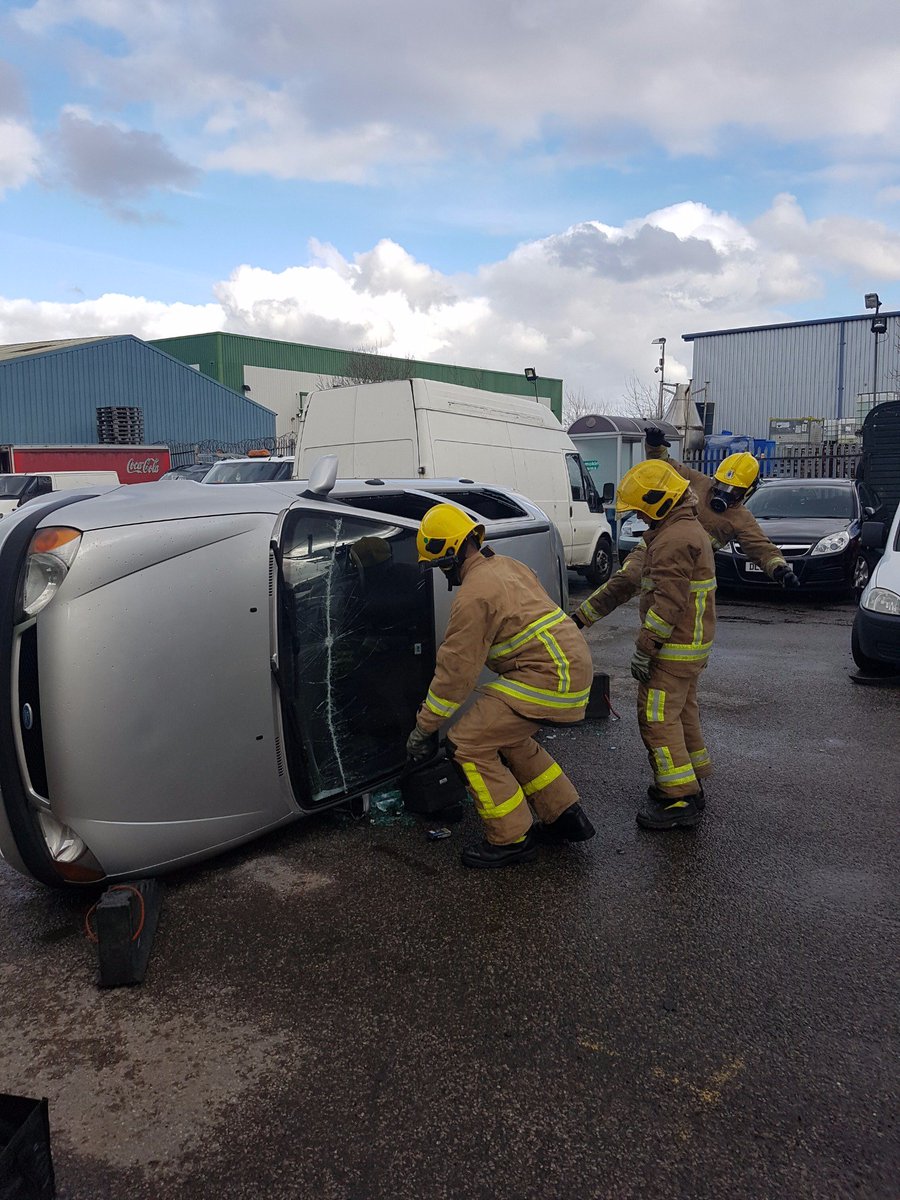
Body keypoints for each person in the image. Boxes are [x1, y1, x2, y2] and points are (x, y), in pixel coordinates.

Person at [405, 503, 595, 868]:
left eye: (439, 566)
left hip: (547, 677)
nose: (444, 573)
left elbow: (455, 674)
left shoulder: (475, 594)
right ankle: (565, 815)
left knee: (467, 743)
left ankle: (511, 839)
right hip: (569, 668)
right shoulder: (507, 567)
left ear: (449, 556)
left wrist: (424, 727)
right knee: (508, 737)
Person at [577, 461, 716, 830]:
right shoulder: (681, 529)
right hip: (690, 648)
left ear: (657, 501)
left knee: (656, 719)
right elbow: (626, 582)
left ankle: (678, 798)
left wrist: (645, 647)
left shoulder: (671, 540)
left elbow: (668, 604)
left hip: (671, 650)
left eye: (641, 507)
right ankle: (692, 781)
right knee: (682, 714)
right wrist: (582, 618)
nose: (638, 514)